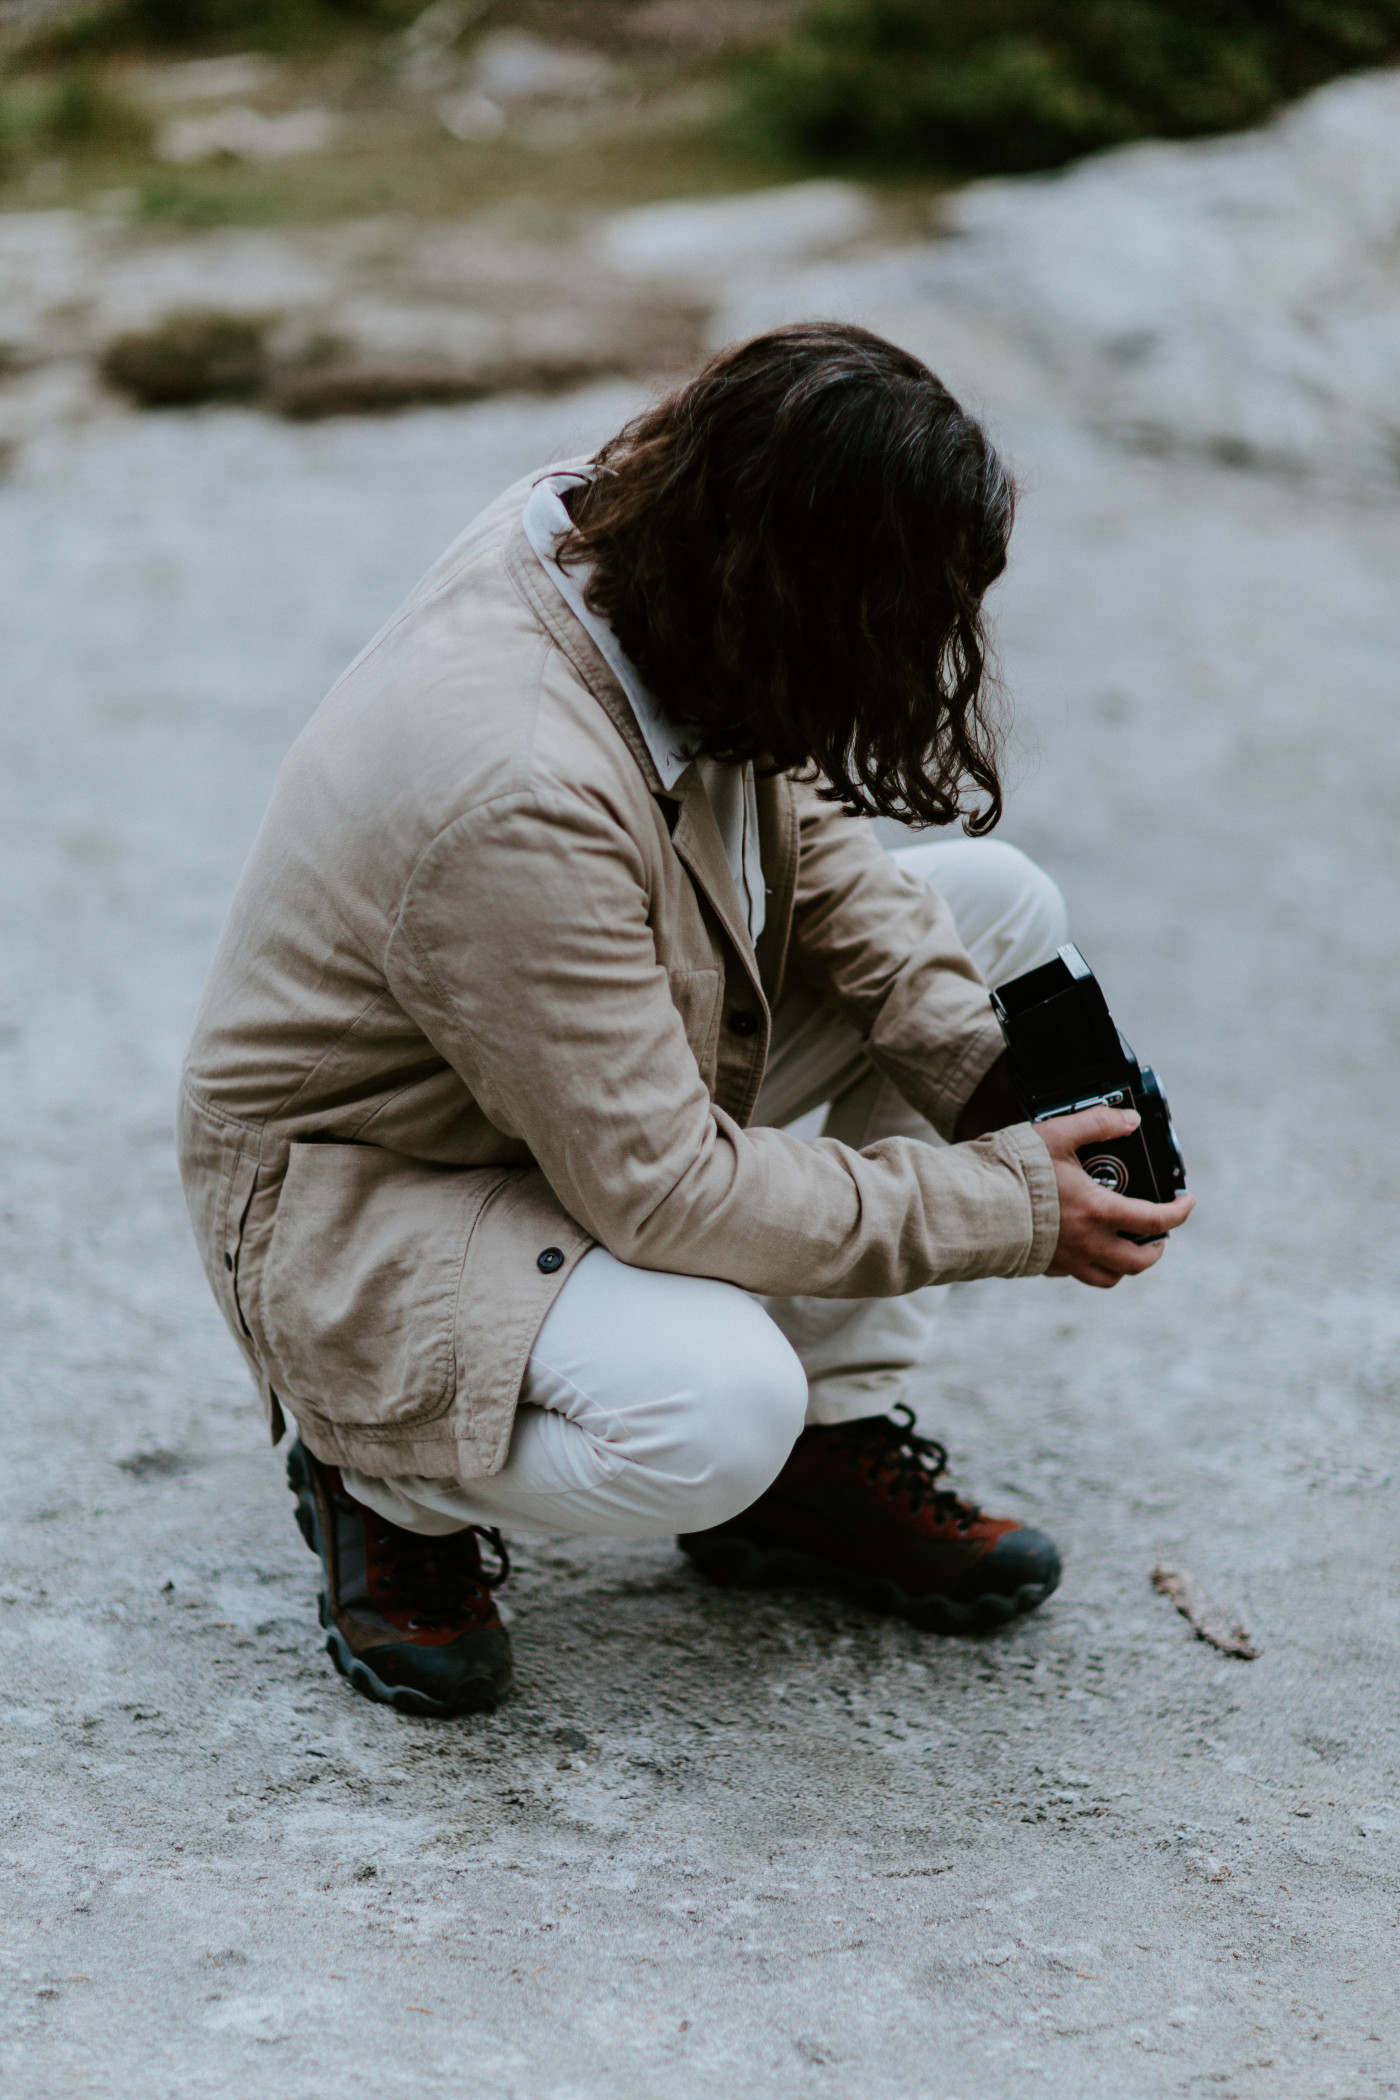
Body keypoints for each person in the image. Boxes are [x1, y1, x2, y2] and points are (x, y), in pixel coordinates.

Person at [178, 323, 1193, 1717]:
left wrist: (981, 1082)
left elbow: (794, 810)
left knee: (991, 910)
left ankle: (819, 1463)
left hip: (564, 1084)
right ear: (801, 594)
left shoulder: (647, 550)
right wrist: (1009, 1203)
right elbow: (661, 1189)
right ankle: (378, 1471)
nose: (940, 653)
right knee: (715, 1412)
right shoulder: (517, 784)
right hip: (374, 1187)